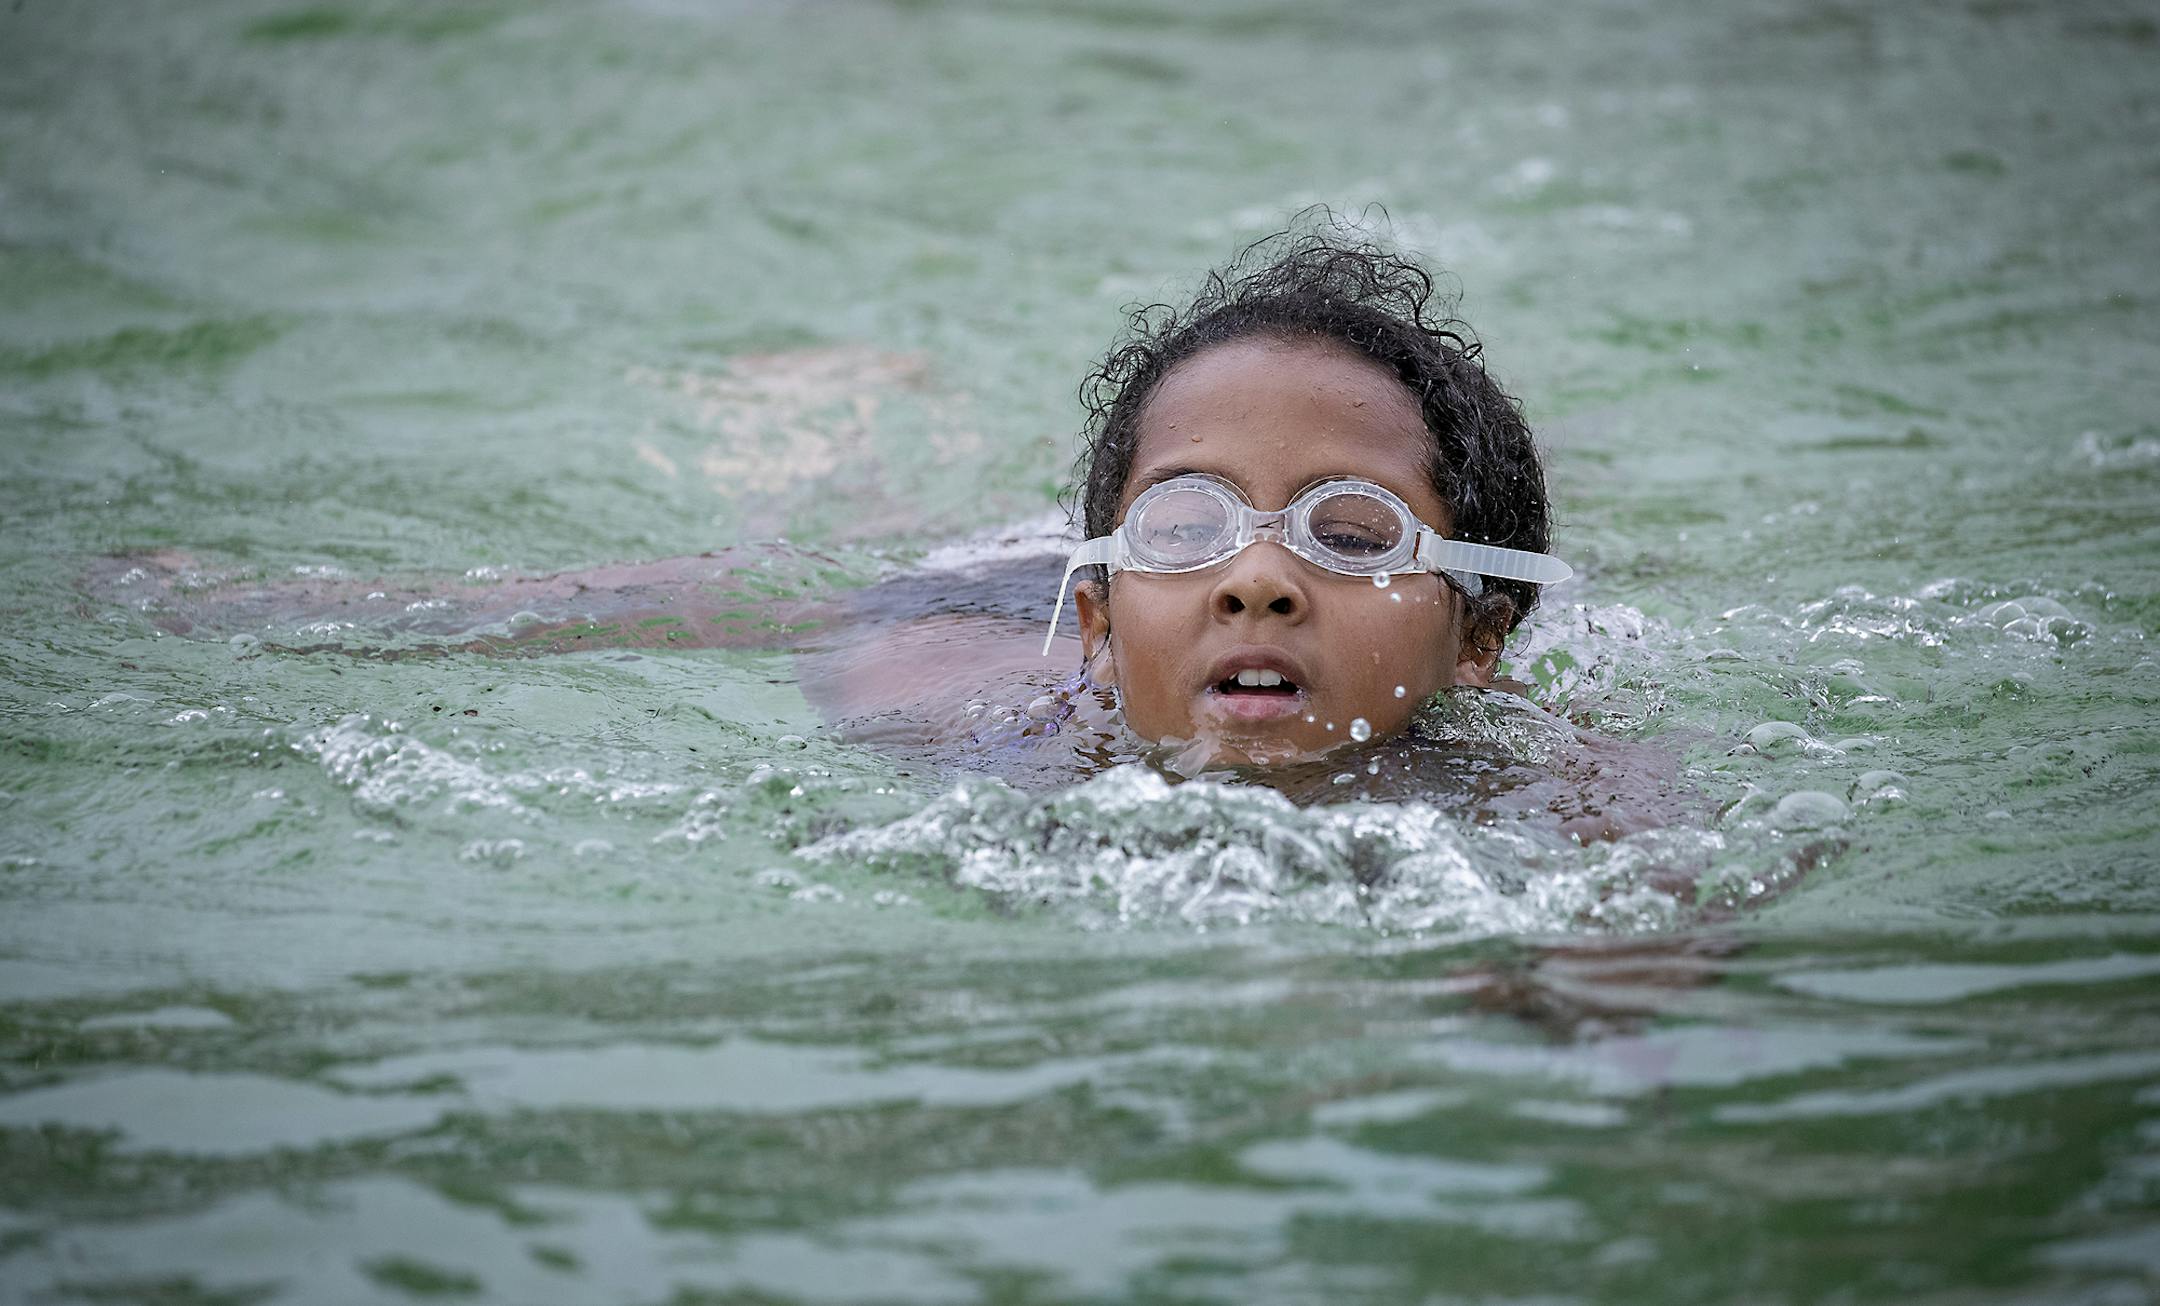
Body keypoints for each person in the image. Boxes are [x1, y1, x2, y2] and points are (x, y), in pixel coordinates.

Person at [90, 222, 1687, 835]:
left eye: (1348, 533)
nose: (1260, 575)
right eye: (1189, 518)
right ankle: (838, 435)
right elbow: (626, 613)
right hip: (961, 613)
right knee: (771, 586)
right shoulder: (977, 707)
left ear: (1483, 628)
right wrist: (300, 609)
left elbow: (1659, 920)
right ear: (1095, 602)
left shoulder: (1543, 766)